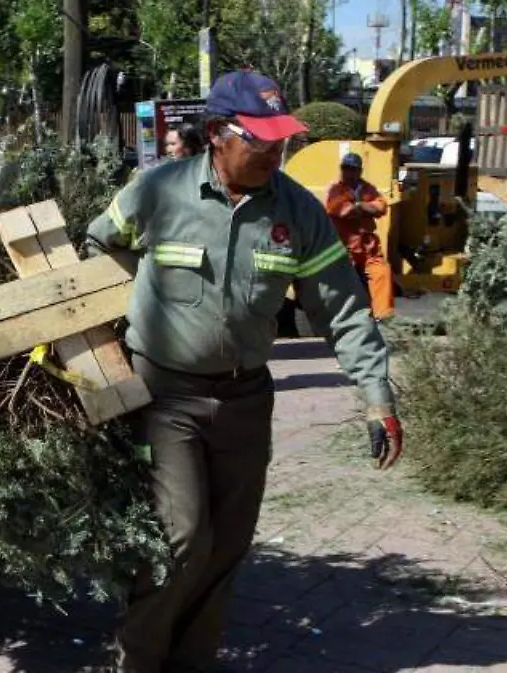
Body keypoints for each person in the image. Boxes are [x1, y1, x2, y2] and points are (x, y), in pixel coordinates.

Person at [84, 70, 403, 673]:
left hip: (246, 402)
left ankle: (192, 662)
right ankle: (138, 660)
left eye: (281, 141)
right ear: (216, 134)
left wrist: (375, 396)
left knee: (227, 547)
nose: (274, 152)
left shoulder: (298, 212)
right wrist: (108, 343)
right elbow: (98, 250)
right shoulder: (158, 191)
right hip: (164, 398)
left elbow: (341, 307)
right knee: (182, 537)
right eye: (260, 140)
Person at [325, 152, 394, 320]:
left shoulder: (368, 188)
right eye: (345, 168)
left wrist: (360, 206)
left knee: (382, 273)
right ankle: (342, 319)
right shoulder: (335, 189)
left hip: (368, 247)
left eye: (352, 169)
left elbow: (381, 206)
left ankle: (383, 318)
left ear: (359, 171)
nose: (348, 172)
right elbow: (340, 209)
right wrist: (366, 209)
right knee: (342, 282)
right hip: (344, 247)